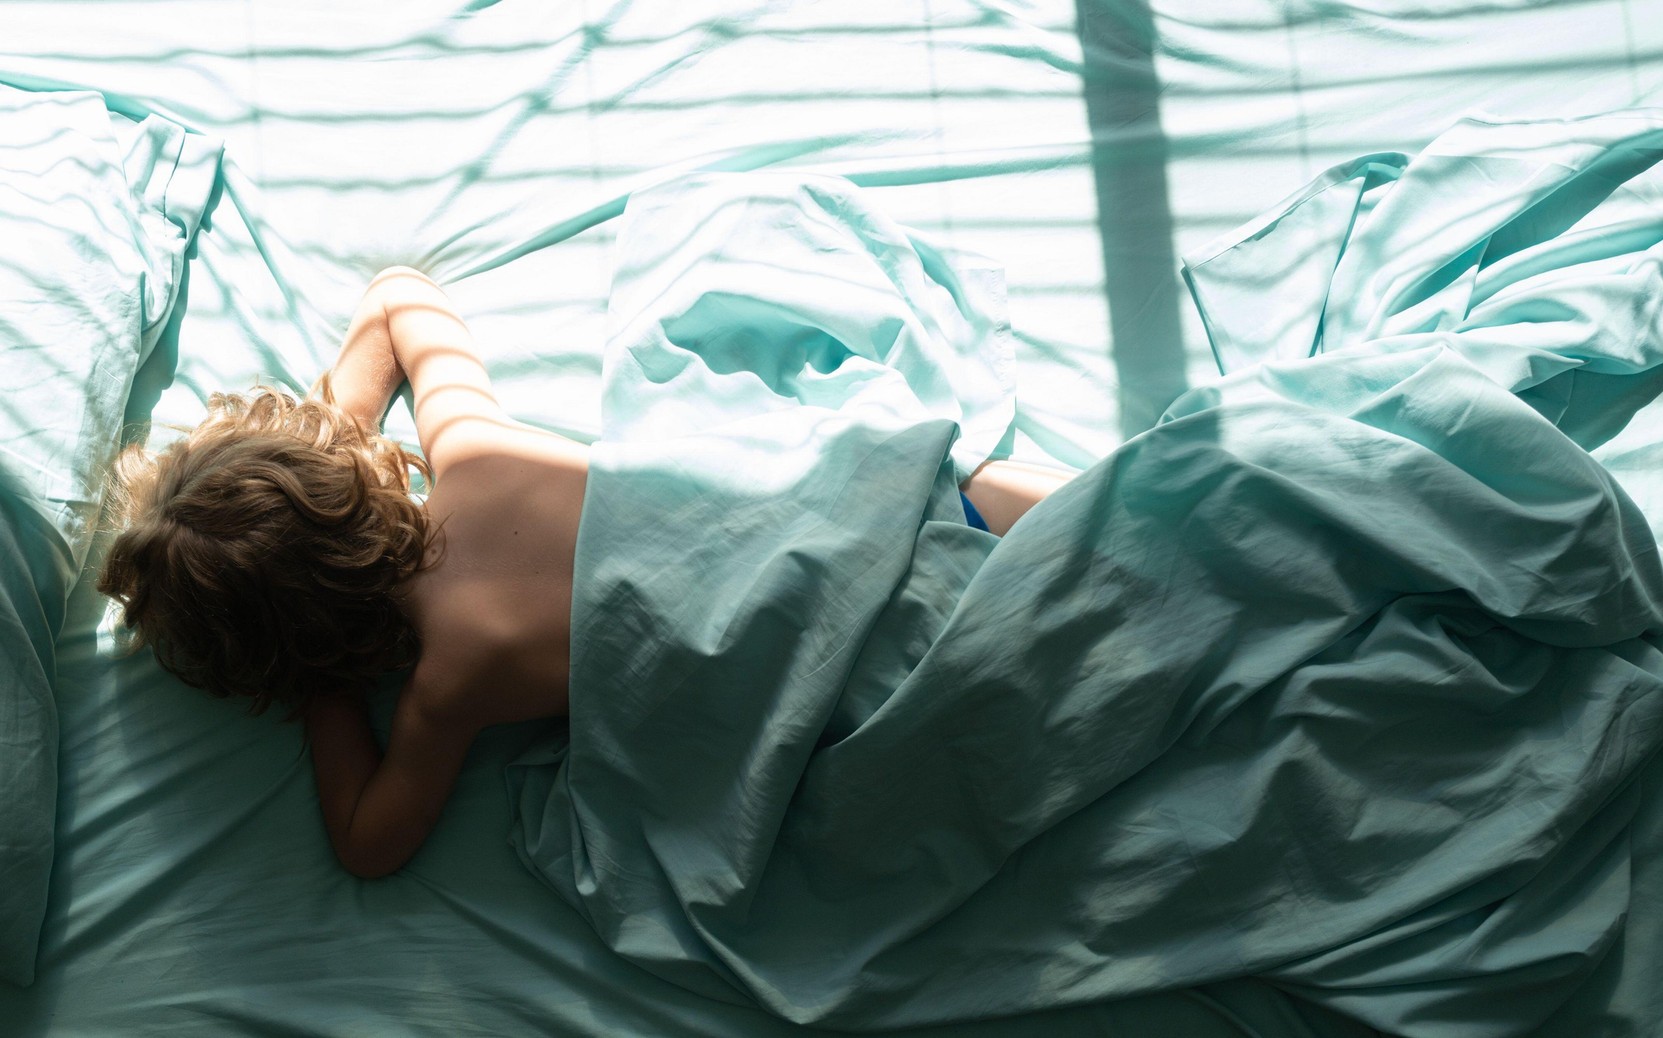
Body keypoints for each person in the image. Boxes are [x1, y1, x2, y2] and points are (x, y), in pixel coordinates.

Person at [95, 267, 1072, 879]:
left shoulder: (449, 682)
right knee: (955, 498)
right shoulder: (472, 451)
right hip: (854, 519)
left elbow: (367, 841)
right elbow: (400, 298)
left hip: (838, 660)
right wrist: (338, 437)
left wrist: (323, 689)